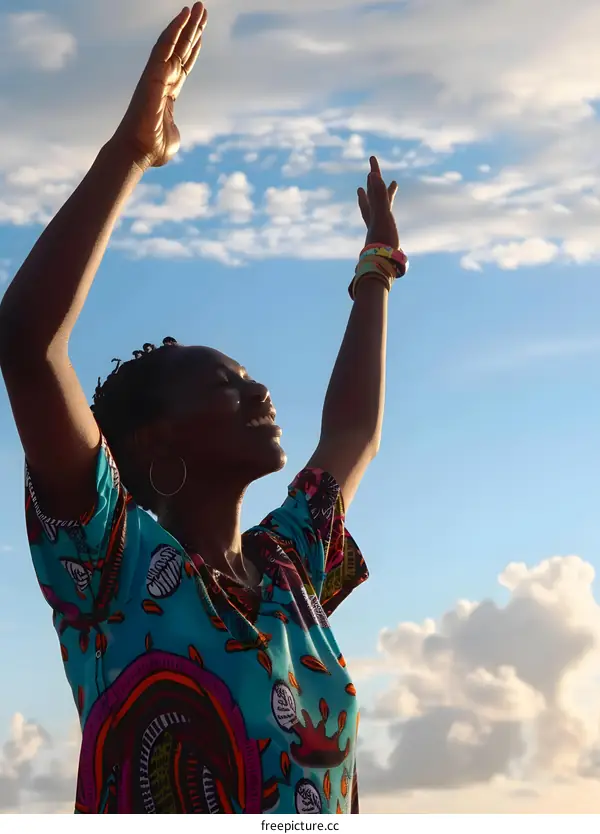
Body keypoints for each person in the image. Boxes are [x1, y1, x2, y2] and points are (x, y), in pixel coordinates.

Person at [0, 3, 406, 815]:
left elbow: (352, 433)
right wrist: (131, 152)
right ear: (158, 444)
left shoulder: (288, 568)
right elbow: (26, 344)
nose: (259, 391)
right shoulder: (111, 562)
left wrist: (377, 268)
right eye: (225, 384)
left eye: (249, 377)